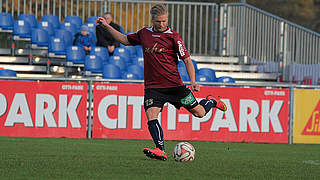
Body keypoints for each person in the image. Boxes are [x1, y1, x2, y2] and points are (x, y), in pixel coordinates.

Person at [96, 3, 227, 161]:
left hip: (175, 87)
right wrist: (105, 26)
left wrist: (193, 80)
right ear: (152, 19)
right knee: (151, 116)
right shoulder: (144, 33)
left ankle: (211, 101)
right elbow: (124, 40)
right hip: (153, 88)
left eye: (164, 21)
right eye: (158, 21)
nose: (162, 24)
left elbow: (186, 60)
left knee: (199, 113)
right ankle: (160, 149)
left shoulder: (174, 37)